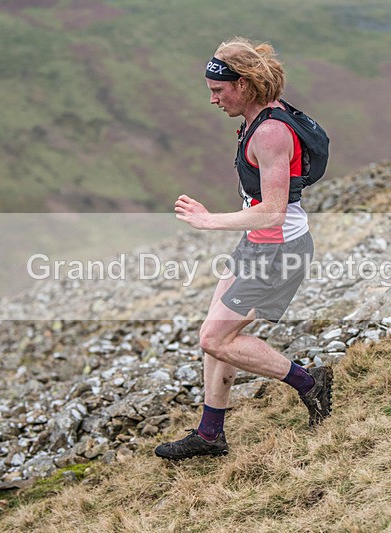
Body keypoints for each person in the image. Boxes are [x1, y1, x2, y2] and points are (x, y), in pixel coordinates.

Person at [154, 37, 332, 460]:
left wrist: (207, 219)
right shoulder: (265, 115)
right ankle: (211, 434)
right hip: (258, 244)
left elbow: (272, 212)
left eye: (219, 90)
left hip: (277, 249)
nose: (213, 99)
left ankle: (310, 384)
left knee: (216, 338)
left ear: (247, 85)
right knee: (215, 336)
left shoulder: (270, 133)